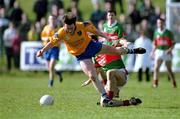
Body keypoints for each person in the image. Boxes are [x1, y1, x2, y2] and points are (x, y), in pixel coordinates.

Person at [36, 13, 146, 106]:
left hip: (91, 46)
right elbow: (51, 42)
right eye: (66, 27)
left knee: (116, 51)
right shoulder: (61, 32)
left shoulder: (82, 25)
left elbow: (96, 32)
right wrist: (42, 50)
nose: (68, 30)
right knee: (92, 76)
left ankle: (132, 51)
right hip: (81, 56)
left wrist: (107, 37)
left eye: (70, 27)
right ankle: (105, 97)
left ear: (74, 24)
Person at [81, 10, 142, 107]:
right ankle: (129, 102)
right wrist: (88, 81)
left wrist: (132, 49)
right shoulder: (95, 56)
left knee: (109, 72)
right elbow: (96, 71)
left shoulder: (105, 47)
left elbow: (120, 49)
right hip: (111, 81)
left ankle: (110, 96)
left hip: (121, 75)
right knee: (103, 104)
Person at [151, 18, 177, 88]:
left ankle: (173, 82)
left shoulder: (168, 32)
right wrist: (152, 52)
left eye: (160, 23)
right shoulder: (156, 32)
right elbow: (155, 44)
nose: (159, 24)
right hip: (159, 51)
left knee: (169, 69)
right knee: (156, 68)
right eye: (158, 23)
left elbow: (173, 43)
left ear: (163, 23)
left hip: (166, 52)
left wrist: (170, 49)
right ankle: (155, 83)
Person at [41, 15, 63, 87]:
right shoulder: (46, 28)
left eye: (53, 19)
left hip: (54, 49)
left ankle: (50, 84)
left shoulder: (58, 29)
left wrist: (58, 47)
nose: (52, 20)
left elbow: (60, 40)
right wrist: (46, 39)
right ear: (48, 20)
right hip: (47, 48)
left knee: (51, 67)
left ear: (55, 20)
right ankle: (58, 73)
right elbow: (42, 37)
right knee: (49, 68)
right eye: (51, 19)